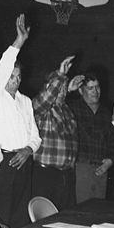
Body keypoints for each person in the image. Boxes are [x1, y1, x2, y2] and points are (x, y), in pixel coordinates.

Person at [0, 14, 42, 228]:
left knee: (21, 220)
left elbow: (36, 136)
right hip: (4, 164)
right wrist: (19, 42)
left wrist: (28, 149)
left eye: (18, 77)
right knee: (1, 220)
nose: (15, 81)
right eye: (11, 77)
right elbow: (1, 69)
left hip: (25, 161)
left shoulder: (25, 101)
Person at [31, 55, 84, 210]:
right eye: (58, 87)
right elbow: (46, 98)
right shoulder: (40, 108)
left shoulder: (67, 110)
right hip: (45, 175)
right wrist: (60, 75)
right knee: (44, 221)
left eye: (64, 87)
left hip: (66, 175)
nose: (61, 91)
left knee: (65, 220)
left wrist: (65, 86)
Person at [67, 72, 114, 203]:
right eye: (90, 88)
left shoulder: (106, 112)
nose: (95, 91)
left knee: (98, 211)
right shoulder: (71, 108)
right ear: (80, 90)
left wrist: (110, 161)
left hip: (102, 169)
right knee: (80, 211)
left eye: (97, 87)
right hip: (80, 169)